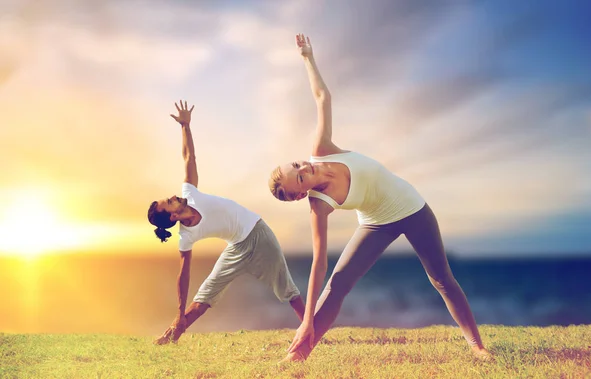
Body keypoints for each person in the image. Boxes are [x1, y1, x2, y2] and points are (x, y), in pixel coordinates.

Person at [268, 34, 491, 362]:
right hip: (376, 223)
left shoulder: (322, 151)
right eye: (298, 177)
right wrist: (306, 322)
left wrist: (307, 57)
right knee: (338, 283)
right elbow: (319, 263)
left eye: (296, 165)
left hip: (411, 207)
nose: (304, 168)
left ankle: (478, 348)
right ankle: (299, 354)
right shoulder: (319, 205)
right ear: (300, 193)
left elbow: (322, 97)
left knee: (441, 278)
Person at [149, 100, 305, 344]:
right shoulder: (185, 236)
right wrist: (179, 313)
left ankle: (311, 331)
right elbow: (184, 274)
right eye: (168, 202)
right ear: (172, 216)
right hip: (236, 248)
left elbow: (189, 157)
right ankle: (170, 336)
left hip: (258, 233)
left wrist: (185, 126)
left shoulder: (190, 193)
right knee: (204, 297)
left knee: (288, 289)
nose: (172, 197)